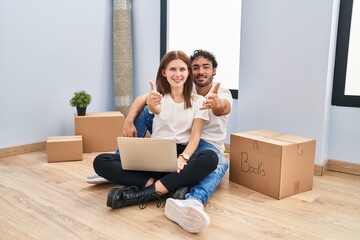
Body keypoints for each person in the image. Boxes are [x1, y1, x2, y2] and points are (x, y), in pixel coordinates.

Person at [92, 51, 218, 231]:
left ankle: (139, 194)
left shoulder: (199, 101)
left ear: (188, 73)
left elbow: (195, 136)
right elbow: (154, 107)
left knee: (210, 157)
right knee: (100, 161)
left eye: (182, 69)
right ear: (164, 72)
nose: (178, 74)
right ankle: (169, 189)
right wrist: (151, 104)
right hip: (156, 155)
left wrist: (183, 158)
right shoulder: (157, 98)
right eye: (172, 69)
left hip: (179, 159)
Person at [119, 49, 233, 233]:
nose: (200, 71)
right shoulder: (184, 83)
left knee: (220, 162)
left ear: (214, 70)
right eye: (195, 67)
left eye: (206, 67)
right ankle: (123, 158)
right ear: (190, 71)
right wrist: (128, 120)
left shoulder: (222, 92)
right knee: (143, 110)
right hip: (181, 139)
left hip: (205, 144)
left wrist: (215, 103)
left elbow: (223, 108)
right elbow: (144, 97)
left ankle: (192, 201)